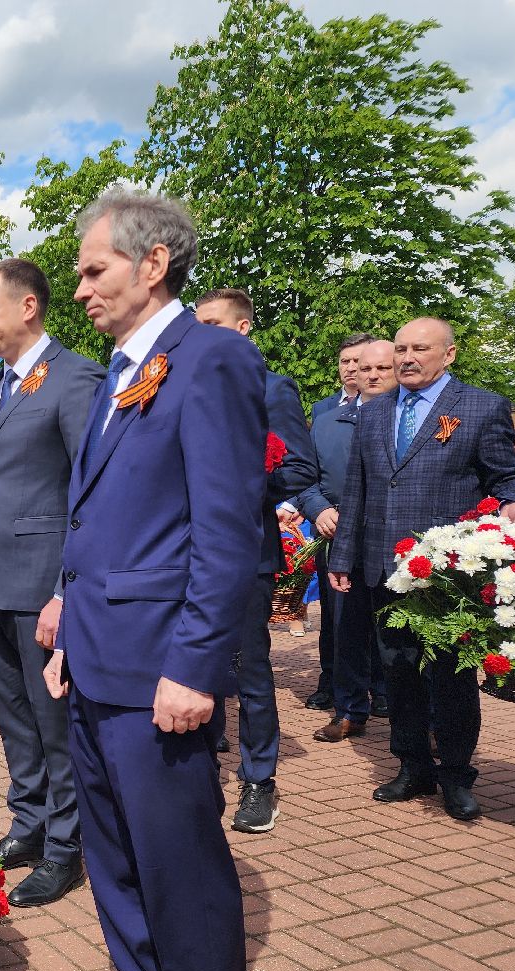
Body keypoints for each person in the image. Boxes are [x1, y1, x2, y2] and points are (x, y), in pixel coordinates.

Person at [44, 188, 261, 971]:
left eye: (96, 270)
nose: (84, 289)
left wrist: (195, 667)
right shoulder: (119, 371)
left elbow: (226, 529)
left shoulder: (206, 358)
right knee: (117, 850)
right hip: (96, 655)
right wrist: (65, 607)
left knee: (180, 862)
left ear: (154, 262)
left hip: (159, 669)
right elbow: (103, 514)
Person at [329, 316, 515, 822]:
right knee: (399, 673)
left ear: (450, 354)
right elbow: (356, 489)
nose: (407, 358)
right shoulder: (374, 413)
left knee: (451, 679)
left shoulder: (480, 407)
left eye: (420, 348)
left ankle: (458, 775)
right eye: (400, 348)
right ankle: (413, 765)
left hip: (447, 575)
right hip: (384, 566)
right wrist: (342, 556)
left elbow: (508, 474)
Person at [0, 256, 105, 907]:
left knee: (54, 723)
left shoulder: (75, 380)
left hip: (43, 585)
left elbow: (93, 494)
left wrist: (66, 593)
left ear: (28, 307)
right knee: (14, 718)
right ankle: (32, 824)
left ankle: (69, 847)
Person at [193, 287, 317, 834]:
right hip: (186, 554)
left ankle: (258, 780)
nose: (201, 333)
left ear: (243, 329)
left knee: (248, 669)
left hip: (246, 550)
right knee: (195, 662)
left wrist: (247, 481)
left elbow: (299, 469)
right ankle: (198, 773)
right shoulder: (182, 387)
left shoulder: (271, 388)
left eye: (213, 323)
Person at [296, 339, 397, 743]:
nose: (366, 373)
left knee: (395, 631)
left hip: (398, 540)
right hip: (341, 537)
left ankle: (396, 703)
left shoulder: (411, 421)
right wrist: (318, 508)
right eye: (354, 364)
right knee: (344, 627)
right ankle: (350, 708)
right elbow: (306, 480)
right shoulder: (325, 421)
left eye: (377, 367)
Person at [305, 332, 380, 710]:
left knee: (380, 613)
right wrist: (318, 509)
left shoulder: (390, 410)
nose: (352, 369)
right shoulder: (323, 414)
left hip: (380, 528)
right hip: (334, 526)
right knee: (336, 614)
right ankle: (332, 682)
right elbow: (310, 472)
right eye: (345, 362)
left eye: (360, 362)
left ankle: (380, 688)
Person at [310, 332, 376, 420]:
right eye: (345, 361)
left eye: (357, 361)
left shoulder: (390, 403)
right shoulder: (320, 409)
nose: (350, 368)